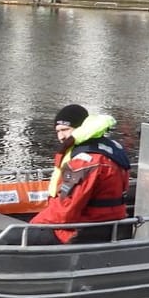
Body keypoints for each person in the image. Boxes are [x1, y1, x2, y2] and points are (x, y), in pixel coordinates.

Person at [24, 104, 132, 245]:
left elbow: (66, 211)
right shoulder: (108, 149)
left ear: (81, 128)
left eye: (65, 130)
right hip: (109, 222)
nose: (61, 136)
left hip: (84, 228)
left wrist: (33, 225)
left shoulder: (85, 161)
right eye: (58, 131)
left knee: (13, 237)